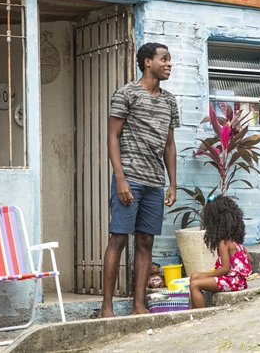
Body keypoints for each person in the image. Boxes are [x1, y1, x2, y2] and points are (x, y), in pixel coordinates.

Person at [99, 42, 180, 318]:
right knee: (118, 240)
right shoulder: (126, 94)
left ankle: (138, 306)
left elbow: (170, 144)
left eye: (169, 60)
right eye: (164, 59)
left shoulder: (169, 100)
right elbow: (112, 136)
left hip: (154, 183)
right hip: (130, 178)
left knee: (146, 242)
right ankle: (106, 308)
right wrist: (120, 178)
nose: (169, 64)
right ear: (147, 62)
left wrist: (172, 183)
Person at [189, 196, 253, 308]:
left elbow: (225, 268)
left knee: (195, 284)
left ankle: (201, 314)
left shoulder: (223, 242)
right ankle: (194, 310)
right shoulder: (235, 240)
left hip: (232, 281)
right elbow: (250, 260)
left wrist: (210, 276)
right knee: (194, 276)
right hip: (239, 281)